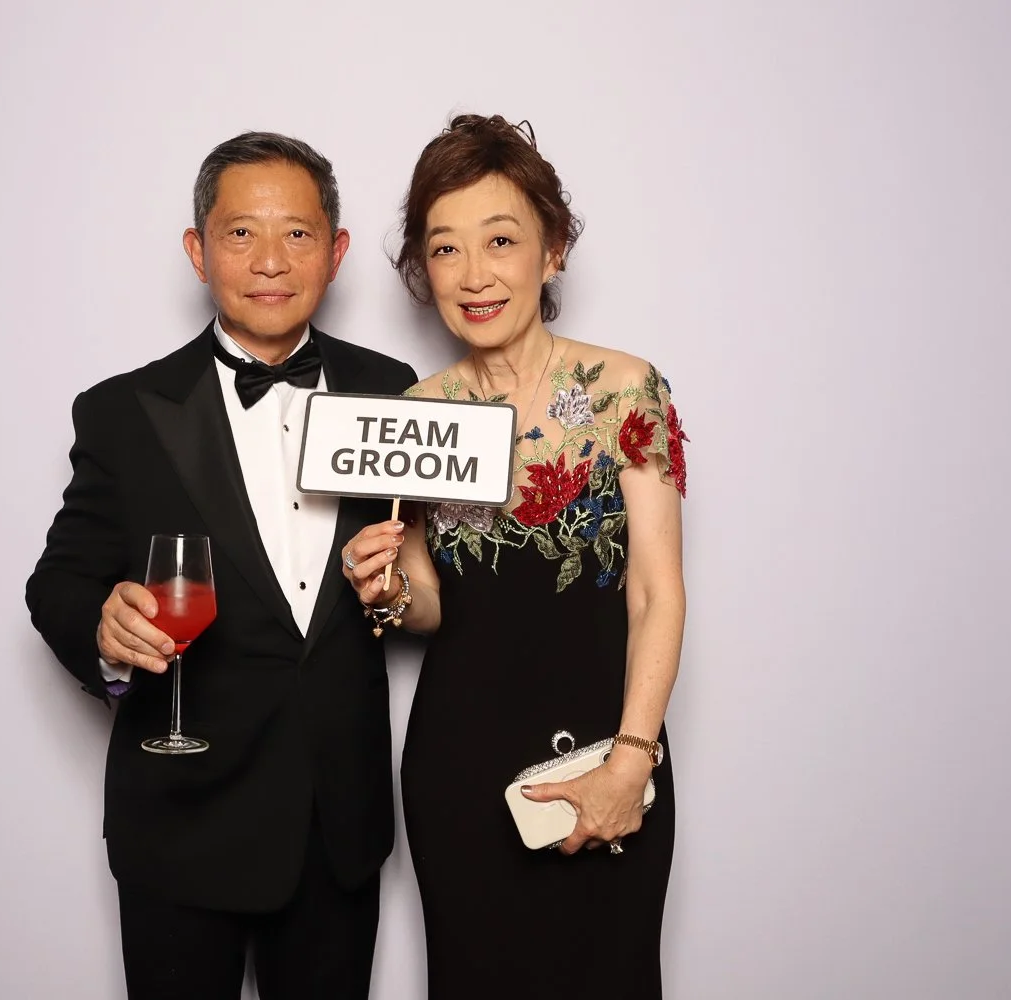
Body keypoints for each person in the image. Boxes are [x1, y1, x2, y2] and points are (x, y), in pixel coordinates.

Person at [25, 132, 418, 1000]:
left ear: (337, 251)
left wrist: (394, 590)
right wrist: (103, 627)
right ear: (198, 251)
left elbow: (427, 585)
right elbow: (58, 579)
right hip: (180, 818)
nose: (270, 261)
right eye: (241, 234)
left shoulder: (396, 393)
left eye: (299, 234)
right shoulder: (125, 411)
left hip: (335, 825)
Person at [340, 114, 690, 997]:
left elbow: (656, 590)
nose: (475, 274)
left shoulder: (624, 389)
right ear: (423, 270)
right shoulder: (418, 408)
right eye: (445, 248)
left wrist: (632, 757)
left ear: (554, 247)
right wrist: (380, 585)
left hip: (612, 752)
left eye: (502, 240)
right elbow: (429, 608)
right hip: (460, 767)